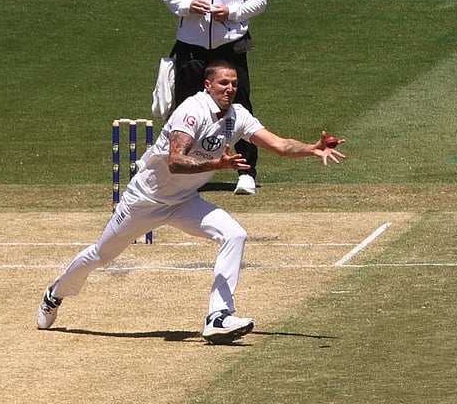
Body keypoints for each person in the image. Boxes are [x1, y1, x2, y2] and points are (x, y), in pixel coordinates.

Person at [36, 61, 345, 343]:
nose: (230, 89)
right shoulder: (192, 111)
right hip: (145, 200)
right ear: (208, 85)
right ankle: (55, 293)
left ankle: (218, 316)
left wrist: (311, 148)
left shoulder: (238, 116)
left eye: (234, 83)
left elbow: (277, 144)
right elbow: (175, 161)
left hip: (184, 201)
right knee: (101, 255)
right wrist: (217, 166)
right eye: (224, 83)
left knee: (234, 234)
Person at [160, 0, 267, 195]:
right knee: (186, 108)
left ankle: (246, 172)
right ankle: (185, 175)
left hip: (231, 43)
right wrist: (187, 5)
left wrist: (232, 12)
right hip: (191, 42)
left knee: (239, 104)